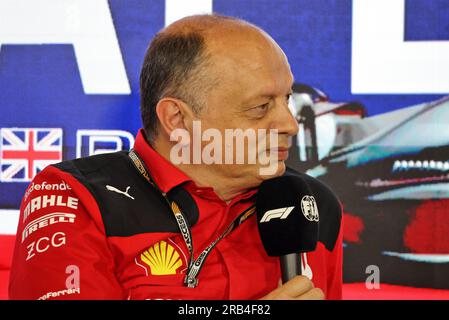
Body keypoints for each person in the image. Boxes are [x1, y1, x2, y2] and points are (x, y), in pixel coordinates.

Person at [9, 14, 342, 300]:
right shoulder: (75, 195)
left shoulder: (313, 203)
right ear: (178, 120)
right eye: (260, 107)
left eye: (287, 99)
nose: (289, 125)